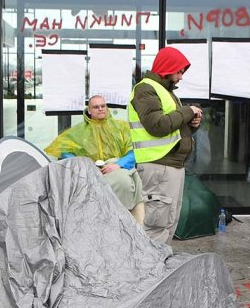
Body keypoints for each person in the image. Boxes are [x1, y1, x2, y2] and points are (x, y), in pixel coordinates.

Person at [128, 47, 203, 244]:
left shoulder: (164, 91)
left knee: (168, 223)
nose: (180, 77)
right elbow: (157, 126)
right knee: (157, 226)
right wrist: (187, 111)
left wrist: (191, 124)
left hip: (169, 165)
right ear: (166, 68)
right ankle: (150, 263)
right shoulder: (145, 89)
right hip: (158, 166)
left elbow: (171, 127)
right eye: (178, 72)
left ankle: (159, 261)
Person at [46, 95, 144, 222]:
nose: (100, 109)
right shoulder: (78, 131)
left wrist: (118, 164)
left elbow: (134, 150)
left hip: (116, 168)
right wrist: (86, 165)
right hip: (91, 173)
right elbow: (65, 150)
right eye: (96, 107)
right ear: (89, 110)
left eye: (103, 106)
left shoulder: (122, 127)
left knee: (124, 183)